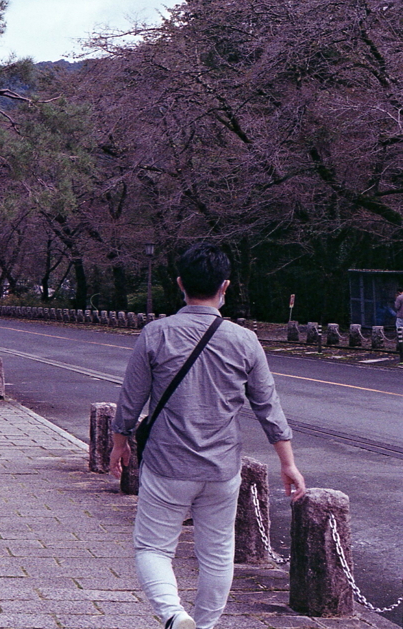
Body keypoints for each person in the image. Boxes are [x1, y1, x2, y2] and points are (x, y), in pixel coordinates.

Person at [109, 243, 306, 629]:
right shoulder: (245, 340)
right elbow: (268, 407)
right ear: (225, 286)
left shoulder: (155, 334)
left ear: (180, 283)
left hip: (167, 463)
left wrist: (120, 444)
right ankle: (204, 626)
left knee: (153, 546)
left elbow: (130, 400)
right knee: (217, 553)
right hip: (221, 467)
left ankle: (172, 614)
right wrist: (288, 464)